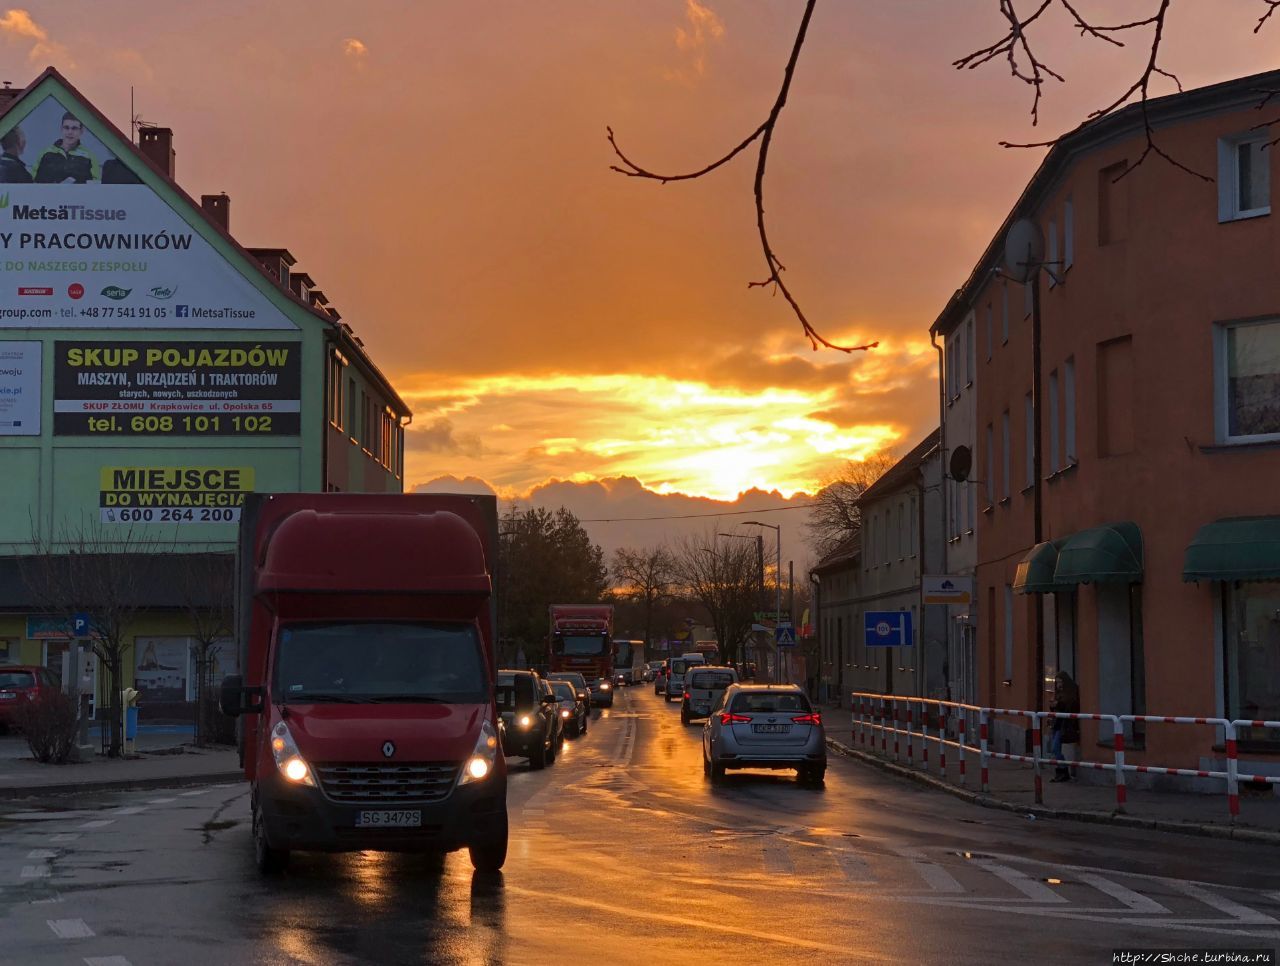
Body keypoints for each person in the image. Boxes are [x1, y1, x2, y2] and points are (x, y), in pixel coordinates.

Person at [33, 111, 99, 183]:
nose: (70, 132)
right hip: (47, 194)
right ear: (61, 129)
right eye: (66, 128)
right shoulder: (46, 153)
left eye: (74, 128)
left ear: (81, 131)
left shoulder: (89, 156)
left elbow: (95, 186)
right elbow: (32, 181)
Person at [1050, 671, 1081, 782]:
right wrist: (1053, 705)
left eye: (1060, 681)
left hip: (1064, 723)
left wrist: (1058, 704)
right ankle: (1060, 771)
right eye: (1057, 682)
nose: (1058, 684)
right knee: (1054, 749)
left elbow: (1070, 705)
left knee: (1055, 748)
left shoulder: (1071, 691)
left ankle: (1063, 770)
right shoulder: (1059, 692)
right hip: (1057, 723)